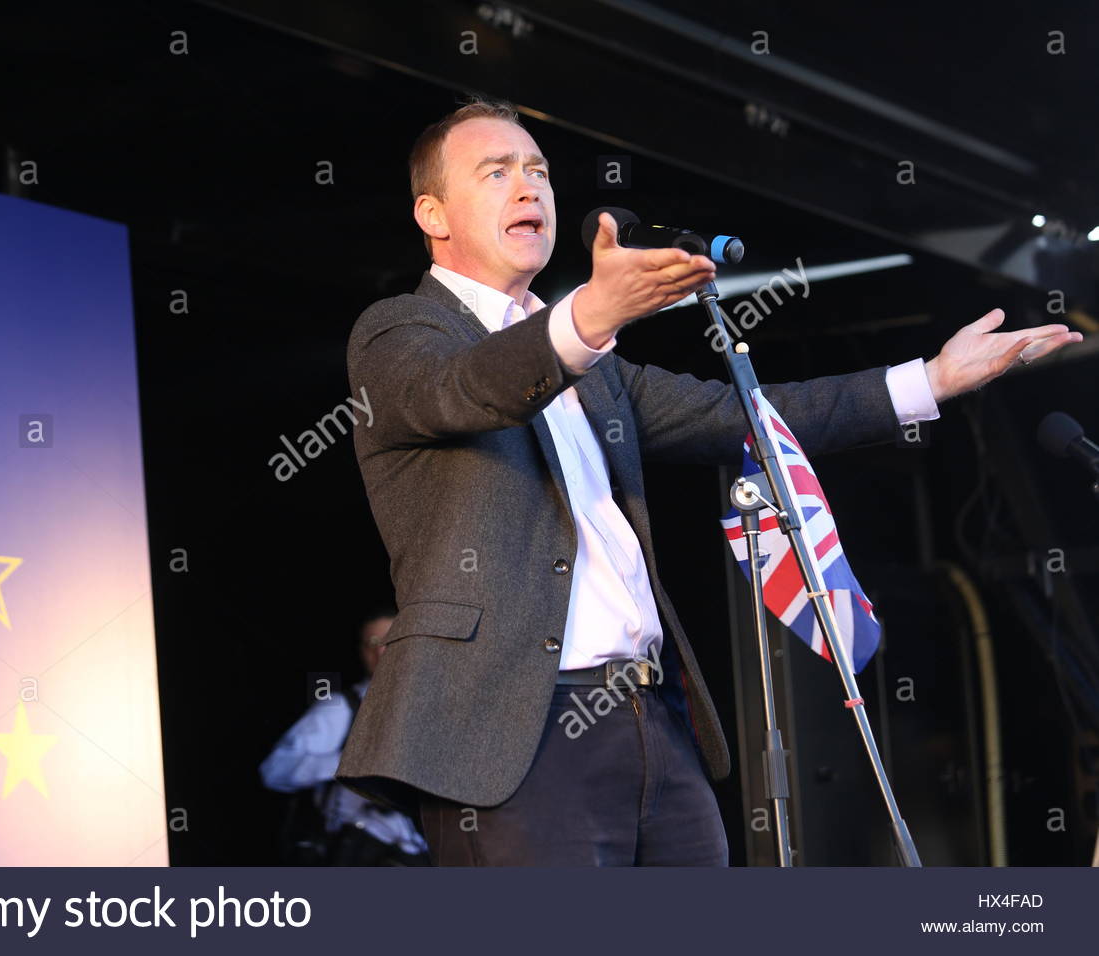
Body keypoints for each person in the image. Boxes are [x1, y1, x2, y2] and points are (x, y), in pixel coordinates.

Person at [336, 97, 1081, 866]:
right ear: (433, 213)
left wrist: (929, 380)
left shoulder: (596, 371)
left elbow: (747, 417)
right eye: (497, 173)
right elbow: (467, 389)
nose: (529, 187)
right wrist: (591, 314)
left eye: (538, 171)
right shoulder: (401, 331)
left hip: (650, 716)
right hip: (511, 729)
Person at [260, 610, 429, 865]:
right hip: (357, 855)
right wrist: (352, 761)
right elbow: (275, 770)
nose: (381, 651)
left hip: (423, 857)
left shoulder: (437, 709)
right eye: (373, 643)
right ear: (363, 652)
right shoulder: (341, 708)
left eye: (391, 640)